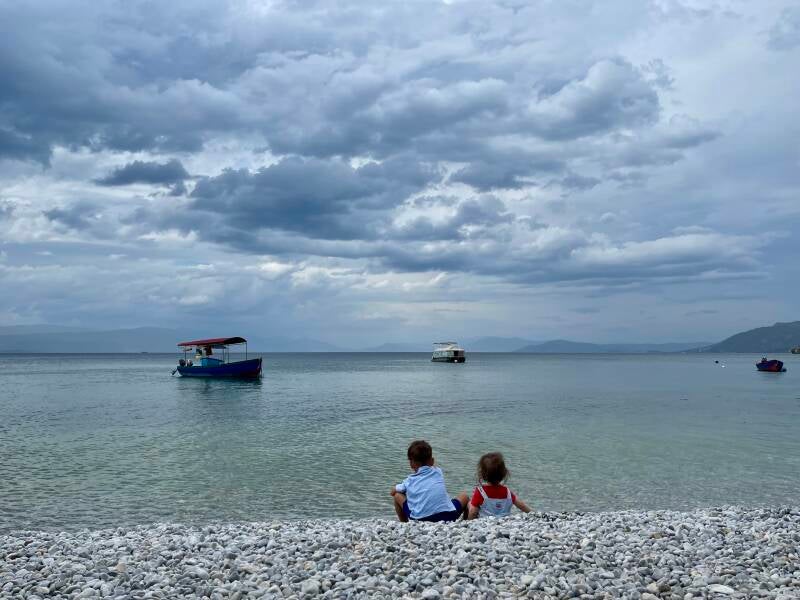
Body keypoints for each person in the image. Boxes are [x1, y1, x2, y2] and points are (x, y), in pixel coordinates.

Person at [391, 440, 468, 522]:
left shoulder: (409, 481)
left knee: (397, 495)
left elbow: (392, 492)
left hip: (420, 519)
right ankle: (466, 522)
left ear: (411, 464)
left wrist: (408, 493)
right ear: (432, 461)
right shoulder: (438, 471)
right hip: (448, 515)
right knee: (464, 497)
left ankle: (404, 523)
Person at [467, 452, 532, 519]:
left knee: (470, 503)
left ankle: (464, 521)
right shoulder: (507, 492)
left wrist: (469, 522)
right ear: (504, 473)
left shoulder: (480, 492)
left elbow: (473, 512)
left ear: (482, 474)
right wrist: (533, 514)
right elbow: (522, 505)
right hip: (504, 521)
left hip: (485, 522)